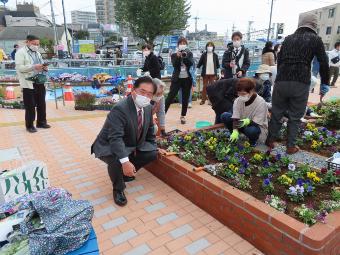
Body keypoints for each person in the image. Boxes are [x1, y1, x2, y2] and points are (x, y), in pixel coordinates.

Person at [266, 13, 330, 154]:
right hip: (300, 82)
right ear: (314, 24)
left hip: (281, 81)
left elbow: (280, 60)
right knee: (295, 116)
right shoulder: (315, 39)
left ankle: (270, 140)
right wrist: (325, 83)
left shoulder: (288, 39)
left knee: (277, 112)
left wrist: (281, 76)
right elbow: (323, 62)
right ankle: (291, 146)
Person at [91, 76, 158, 206]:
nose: (145, 96)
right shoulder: (120, 108)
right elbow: (115, 138)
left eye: (149, 94)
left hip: (130, 142)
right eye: (142, 92)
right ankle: (118, 189)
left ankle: (126, 173)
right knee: (117, 159)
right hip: (108, 144)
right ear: (133, 90)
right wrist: (125, 162)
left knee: (152, 153)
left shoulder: (148, 107)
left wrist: (153, 145)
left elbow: (150, 129)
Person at [15, 35, 51, 133]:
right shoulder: (20, 53)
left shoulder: (37, 53)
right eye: (34, 44)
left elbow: (41, 64)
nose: (36, 46)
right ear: (28, 42)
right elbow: (20, 68)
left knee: (41, 103)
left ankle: (41, 122)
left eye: (37, 44)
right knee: (30, 105)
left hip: (39, 81)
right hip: (28, 82)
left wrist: (44, 68)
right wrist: (33, 67)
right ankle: (30, 125)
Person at [221, 78, 268, 146]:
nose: (240, 96)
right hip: (242, 124)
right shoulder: (238, 100)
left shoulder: (261, 102)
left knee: (251, 130)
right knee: (225, 116)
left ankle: (253, 142)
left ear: (251, 91)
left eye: (243, 94)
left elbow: (258, 122)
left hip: (256, 127)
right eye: (239, 94)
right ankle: (234, 136)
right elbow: (235, 117)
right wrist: (235, 130)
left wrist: (248, 121)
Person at [165, 37, 194, 124]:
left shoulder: (189, 53)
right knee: (170, 97)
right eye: (180, 43)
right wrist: (178, 57)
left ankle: (183, 116)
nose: (182, 45)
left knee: (185, 98)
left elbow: (190, 63)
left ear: (186, 44)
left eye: (184, 43)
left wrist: (184, 57)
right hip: (176, 79)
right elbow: (175, 65)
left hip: (187, 79)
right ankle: (162, 114)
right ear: (178, 45)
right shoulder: (174, 55)